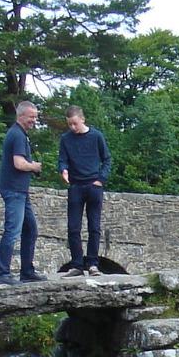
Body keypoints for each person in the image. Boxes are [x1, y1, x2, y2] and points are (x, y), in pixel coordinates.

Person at [0, 101, 48, 284]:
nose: (34, 120)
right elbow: (19, 163)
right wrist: (34, 166)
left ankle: (27, 271)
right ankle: (2, 274)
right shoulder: (17, 135)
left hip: (20, 191)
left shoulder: (20, 134)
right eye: (31, 117)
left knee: (30, 229)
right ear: (21, 115)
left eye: (35, 117)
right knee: (12, 231)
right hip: (14, 190)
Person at [57, 106, 112, 277]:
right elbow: (62, 160)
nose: (72, 127)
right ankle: (77, 265)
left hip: (93, 185)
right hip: (75, 186)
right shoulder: (66, 139)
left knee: (94, 227)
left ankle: (93, 264)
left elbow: (107, 159)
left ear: (82, 119)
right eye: (69, 124)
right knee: (73, 227)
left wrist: (100, 180)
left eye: (75, 123)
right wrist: (63, 170)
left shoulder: (96, 136)